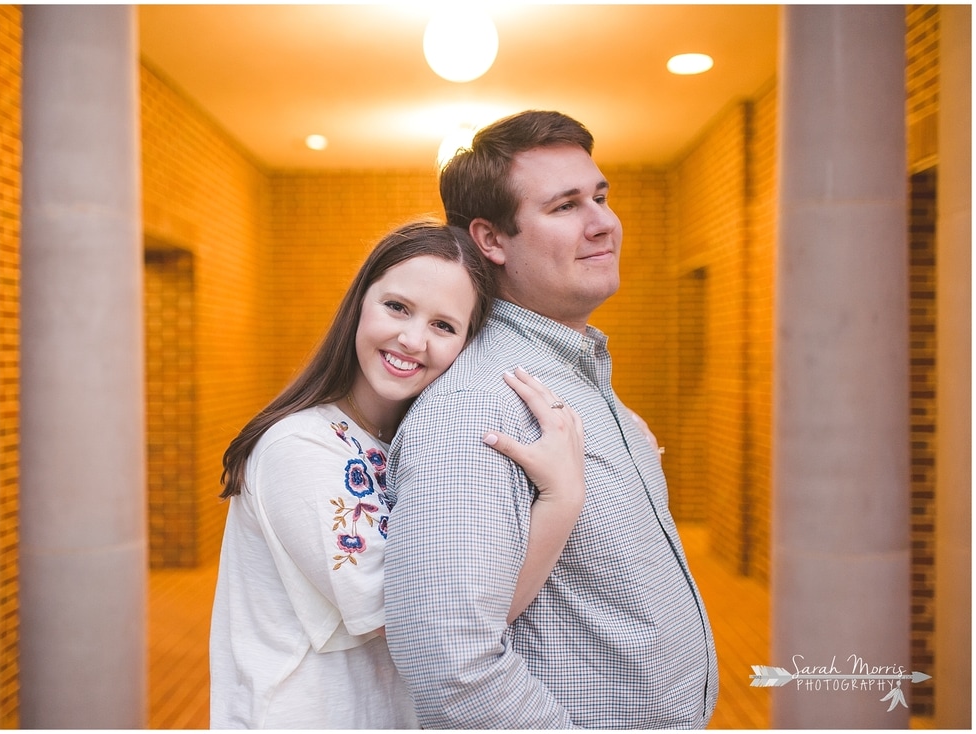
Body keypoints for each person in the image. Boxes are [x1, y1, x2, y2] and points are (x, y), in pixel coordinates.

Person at [384, 111, 719, 728]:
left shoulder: (577, 378)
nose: (604, 224)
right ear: (491, 239)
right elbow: (449, 662)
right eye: (565, 207)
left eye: (600, 196)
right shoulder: (481, 406)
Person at [208, 219, 588, 729]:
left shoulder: (425, 444)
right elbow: (432, 626)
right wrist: (562, 500)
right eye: (398, 308)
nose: (412, 339)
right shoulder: (298, 447)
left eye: (444, 326)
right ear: (361, 302)